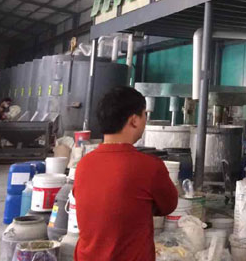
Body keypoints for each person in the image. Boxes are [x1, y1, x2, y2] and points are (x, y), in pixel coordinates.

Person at [74, 86, 179, 261]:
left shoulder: (84, 164)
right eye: (145, 114)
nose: (145, 120)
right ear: (134, 120)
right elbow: (168, 206)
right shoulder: (149, 167)